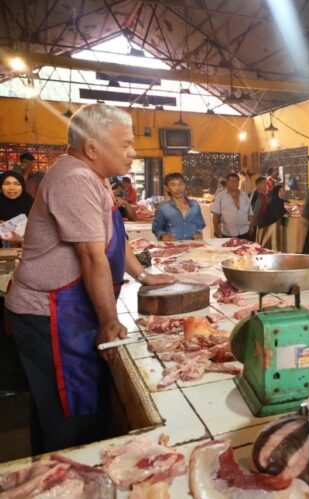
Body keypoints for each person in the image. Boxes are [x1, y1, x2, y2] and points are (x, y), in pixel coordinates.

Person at [4, 104, 174, 453]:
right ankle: (68, 478)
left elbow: (112, 239)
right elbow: (91, 255)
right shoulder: (75, 179)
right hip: (47, 313)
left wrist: (143, 274)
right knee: (69, 411)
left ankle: (57, 461)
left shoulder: (94, 177)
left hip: (65, 308)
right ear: (93, 148)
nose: (133, 152)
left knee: (57, 405)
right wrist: (109, 321)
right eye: (125, 144)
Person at [152, 172, 206, 241]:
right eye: (173, 185)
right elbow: (157, 229)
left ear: (185, 185)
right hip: (173, 248)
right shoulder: (163, 208)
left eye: (181, 184)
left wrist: (198, 233)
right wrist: (163, 236)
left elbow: (200, 225)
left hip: (193, 247)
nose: (178, 188)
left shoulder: (195, 205)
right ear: (167, 188)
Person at [212, 173, 253, 239]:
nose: (235, 183)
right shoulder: (220, 196)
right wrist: (216, 229)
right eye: (232, 181)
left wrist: (251, 227)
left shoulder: (244, 196)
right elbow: (216, 215)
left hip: (245, 232)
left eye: (236, 181)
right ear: (227, 182)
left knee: (244, 249)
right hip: (228, 233)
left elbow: (250, 213)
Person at [0, 171, 35, 245]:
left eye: (17, 184)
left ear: (22, 186)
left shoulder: (31, 204)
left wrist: (21, 240)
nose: (12, 188)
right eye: (7, 183)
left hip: (28, 250)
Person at [257, 185, 286, 250]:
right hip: (268, 227)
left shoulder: (280, 201)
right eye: (280, 191)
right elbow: (276, 215)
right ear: (276, 192)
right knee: (269, 246)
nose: (282, 193)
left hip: (273, 226)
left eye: (283, 191)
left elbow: (281, 210)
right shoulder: (274, 202)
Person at [250, 176, 268, 242]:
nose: (266, 186)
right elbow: (253, 211)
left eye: (266, 183)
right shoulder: (254, 196)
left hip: (258, 223)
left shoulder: (263, 195)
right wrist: (251, 225)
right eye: (263, 184)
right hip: (252, 224)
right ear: (257, 185)